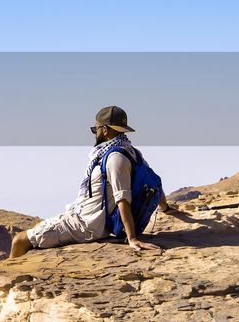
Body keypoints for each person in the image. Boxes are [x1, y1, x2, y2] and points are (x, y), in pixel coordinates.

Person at [9, 105, 169, 258]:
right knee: (37, 228)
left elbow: (122, 199)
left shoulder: (115, 158)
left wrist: (132, 239)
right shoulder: (131, 152)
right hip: (84, 217)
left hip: (86, 225)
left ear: (105, 130)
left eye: (95, 129)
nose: (94, 133)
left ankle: (10, 277)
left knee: (19, 240)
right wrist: (166, 208)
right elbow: (154, 181)